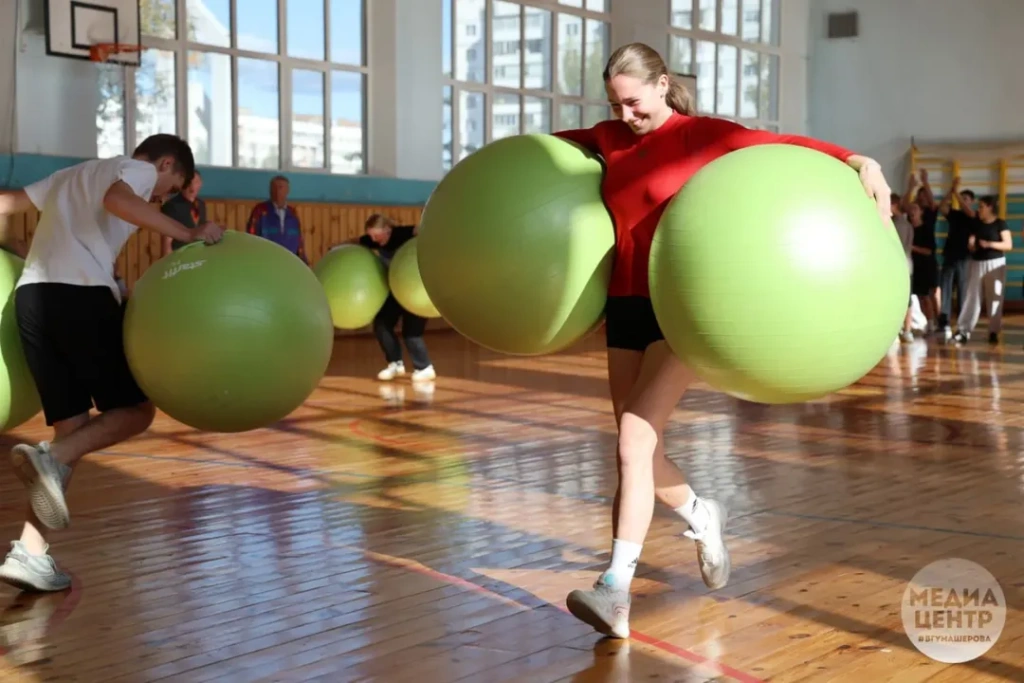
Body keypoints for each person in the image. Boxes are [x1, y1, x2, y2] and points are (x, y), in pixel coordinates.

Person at [551, 42, 892, 640]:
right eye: (614, 104)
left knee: (634, 441)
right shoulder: (609, 138)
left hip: (682, 306)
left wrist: (858, 159)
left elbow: (781, 145)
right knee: (640, 451)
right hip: (624, 306)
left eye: (633, 102)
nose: (625, 115)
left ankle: (615, 589)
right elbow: (545, 152)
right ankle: (703, 515)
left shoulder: (703, 136)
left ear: (662, 85)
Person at [0, 134, 224, 592]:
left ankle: (30, 552)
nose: (158, 198)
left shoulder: (71, 174)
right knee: (136, 411)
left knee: (73, 431)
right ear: (165, 164)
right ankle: (50, 459)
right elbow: (117, 199)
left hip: (31, 299)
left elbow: (5, 203)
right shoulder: (136, 170)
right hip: (79, 295)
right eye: (167, 190)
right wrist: (186, 233)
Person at [348, 214, 436, 382]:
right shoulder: (374, 240)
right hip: (396, 290)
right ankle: (395, 363)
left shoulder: (402, 234)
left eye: (377, 235)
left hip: (416, 291)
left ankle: (425, 367)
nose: (374, 239)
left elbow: (423, 230)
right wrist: (335, 247)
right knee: (382, 324)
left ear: (388, 229)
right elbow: (356, 240)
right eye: (371, 236)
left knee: (411, 333)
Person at [952, 196, 1011, 346]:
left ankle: (993, 332)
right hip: (976, 263)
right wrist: (971, 244)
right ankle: (963, 331)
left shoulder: (1000, 223)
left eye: (982, 207)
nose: (979, 210)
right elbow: (972, 242)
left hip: (995, 263)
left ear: (990, 207)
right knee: (972, 297)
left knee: (994, 299)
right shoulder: (976, 224)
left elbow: (1008, 245)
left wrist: (990, 244)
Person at [935, 179, 975, 341]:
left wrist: (956, 192)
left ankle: (962, 324)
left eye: (966, 199)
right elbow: (941, 207)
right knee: (945, 289)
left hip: (965, 258)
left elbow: (968, 211)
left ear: (972, 201)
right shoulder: (955, 214)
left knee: (963, 291)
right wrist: (950, 191)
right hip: (950, 255)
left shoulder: (973, 216)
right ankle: (944, 321)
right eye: (961, 198)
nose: (962, 201)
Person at [160, 169, 208, 255]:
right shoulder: (171, 206)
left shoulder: (201, 204)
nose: (192, 187)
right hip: (179, 255)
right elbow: (167, 241)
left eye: (196, 182)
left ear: (201, 183)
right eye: (188, 183)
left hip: (198, 254)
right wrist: (169, 260)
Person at [892, 193, 915, 343]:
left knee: (901, 299)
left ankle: (902, 330)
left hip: (899, 266)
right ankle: (906, 330)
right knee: (906, 298)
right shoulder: (906, 224)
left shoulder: (898, 224)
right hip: (906, 265)